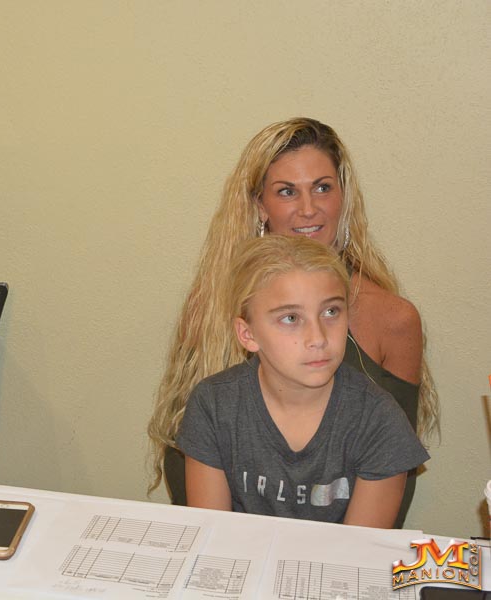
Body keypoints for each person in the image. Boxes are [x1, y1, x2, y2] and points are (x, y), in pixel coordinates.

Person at [148, 118, 438, 526]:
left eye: (322, 187)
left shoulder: (394, 320)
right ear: (259, 205)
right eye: (287, 191)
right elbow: (190, 457)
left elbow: (390, 474)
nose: (308, 209)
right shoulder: (209, 311)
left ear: (343, 197)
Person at [178, 235, 429, 526]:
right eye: (291, 318)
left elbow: (359, 548)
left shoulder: (379, 419)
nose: (318, 338)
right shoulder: (214, 405)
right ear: (248, 335)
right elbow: (213, 536)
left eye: (331, 312)